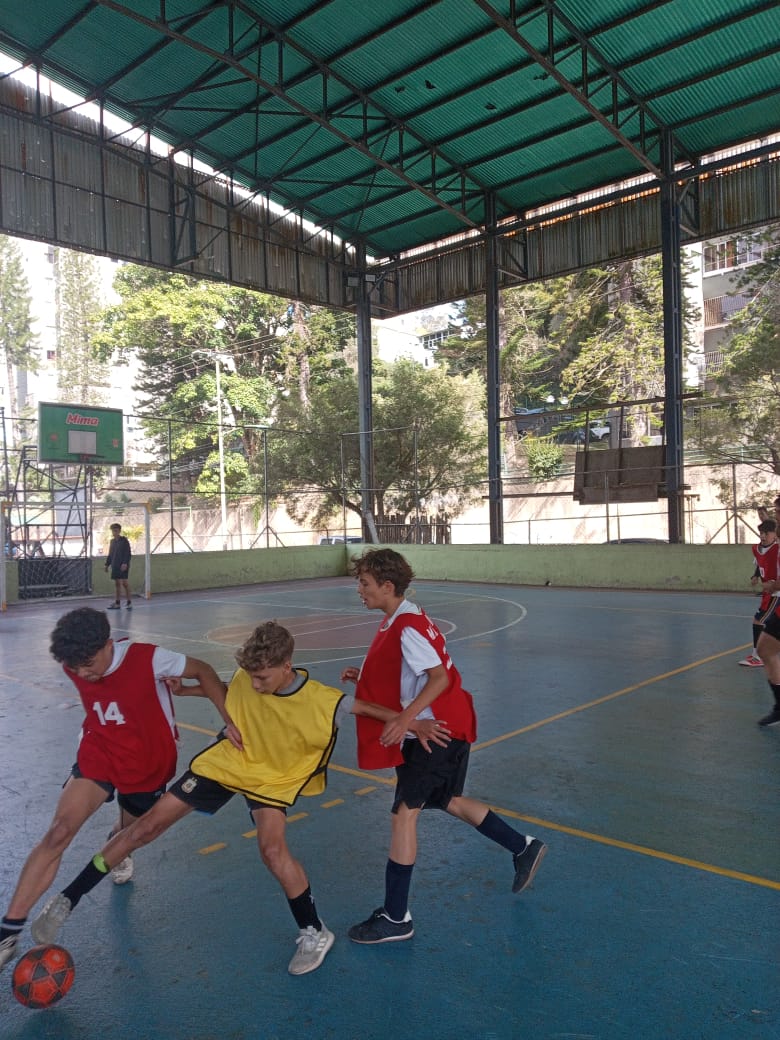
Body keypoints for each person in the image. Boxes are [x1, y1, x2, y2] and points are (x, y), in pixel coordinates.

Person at [28, 621, 449, 976]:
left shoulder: (321, 700)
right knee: (145, 827)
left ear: (287, 666)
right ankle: (69, 897)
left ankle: (313, 930)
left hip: (274, 777)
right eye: (252, 676)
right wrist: (186, 690)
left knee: (272, 850)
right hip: (232, 761)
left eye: (264, 677)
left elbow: (364, 708)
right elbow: (232, 689)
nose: (256, 684)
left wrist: (413, 725)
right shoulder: (251, 680)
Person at [0, 606, 238, 972]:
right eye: (75, 668)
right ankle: (8, 931)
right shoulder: (76, 663)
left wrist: (231, 722)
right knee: (59, 831)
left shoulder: (149, 659)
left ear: (108, 645)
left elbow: (204, 671)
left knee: (127, 831)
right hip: (100, 751)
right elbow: (85, 675)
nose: (82, 674)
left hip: (148, 762)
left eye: (88, 664)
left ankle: (118, 842)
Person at [341, 547, 547, 945]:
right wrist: (362, 677)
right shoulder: (400, 619)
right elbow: (406, 672)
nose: (359, 590)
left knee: (404, 815)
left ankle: (397, 918)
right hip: (443, 727)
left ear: (387, 586)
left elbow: (437, 677)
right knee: (446, 800)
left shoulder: (408, 626)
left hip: (436, 731)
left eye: (364, 584)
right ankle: (523, 846)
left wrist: (406, 720)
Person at [739, 519, 779, 667]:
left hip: (775, 592)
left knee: (759, 620)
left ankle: (758, 656)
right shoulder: (756, 549)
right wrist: (755, 576)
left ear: (775, 534)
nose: (763, 536)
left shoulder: (777, 550)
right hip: (767, 593)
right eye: (761, 533)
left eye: (766, 533)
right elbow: (759, 564)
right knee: (769, 622)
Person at [105, 522, 132, 609]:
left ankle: (129, 602)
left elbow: (128, 553)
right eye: (113, 531)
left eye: (116, 531)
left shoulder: (124, 541)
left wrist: (125, 563)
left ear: (119, 531)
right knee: (117, 584)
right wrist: (107, 564)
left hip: (123, 565)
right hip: (115, 565)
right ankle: (117, 603)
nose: (114, 532)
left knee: (124, 583)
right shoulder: (112, 541)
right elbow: (110, 554)